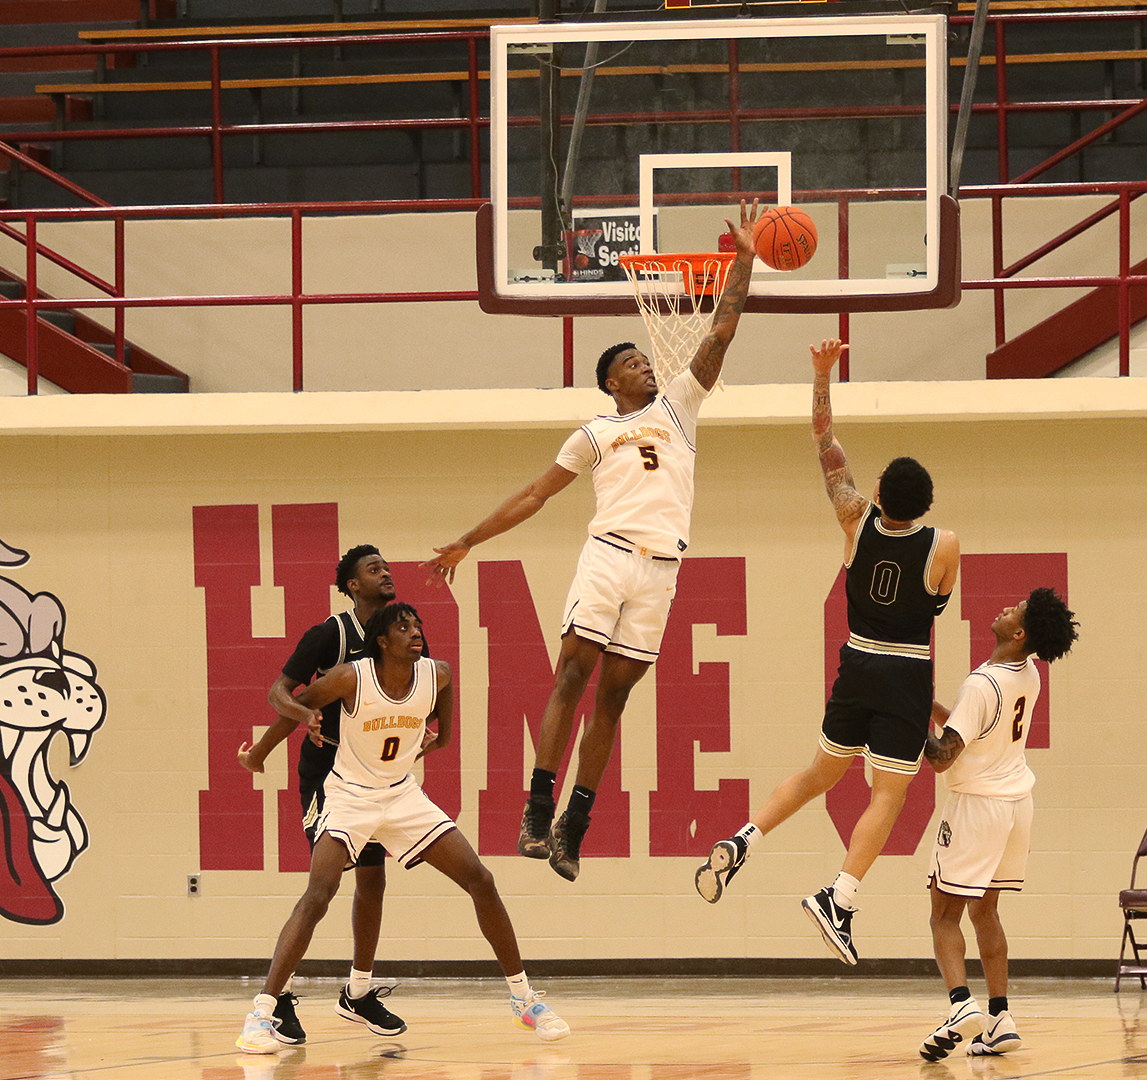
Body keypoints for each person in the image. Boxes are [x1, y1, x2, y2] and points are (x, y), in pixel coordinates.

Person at [425, 202, 763, 881]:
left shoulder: (679, 410)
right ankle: (535, 807)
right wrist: (468, 539)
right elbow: (534, 494)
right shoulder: (596, 433)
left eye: (646, 359)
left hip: (662, 569)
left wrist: (746, 260)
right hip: (608, 556)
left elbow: (720, 334)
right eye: (634, 362)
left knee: (615, 697)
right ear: (613, 383)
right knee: (573, 674)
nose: (647, 366)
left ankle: (572, 825)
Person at [694, 338, 960, 967]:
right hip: (903, 671)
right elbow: (935, 610)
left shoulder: (853, 519)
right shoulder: (945, 543)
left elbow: (825, 444)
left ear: (877, 492)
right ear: (925, 505)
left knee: (818, 775)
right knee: (887, 796)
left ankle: (744, 837)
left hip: (855, 663)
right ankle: (839, 898)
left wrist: (820, 375)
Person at [237, 603, 568, 1053]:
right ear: (382, 641)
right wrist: (258, 753)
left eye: (418, 626)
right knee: (320, 893)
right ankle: (261, 1013)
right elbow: (293, 709)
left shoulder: (438, 675)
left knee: (481, 879)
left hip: (401, 795)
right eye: (403, 626)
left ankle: (525, 1001)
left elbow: (444, 736)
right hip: (349, 795)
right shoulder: (350, 677)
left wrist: (426, 744)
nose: (416, 632)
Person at [235, 544, 406, 1040]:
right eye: (374, 569)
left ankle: (358, 993)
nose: (386, 573)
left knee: (373, 880)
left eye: (387, 567)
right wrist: (301, 715)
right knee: (323, 888)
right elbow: (279, 692)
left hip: (373, 776)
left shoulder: (399, 634)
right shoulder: (330, 635)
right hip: (327, 777)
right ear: (353, 585)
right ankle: (275, 999)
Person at [917, 590, 1078, 1061]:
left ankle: (961, 1006)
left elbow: (944, 759)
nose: (1005, 608)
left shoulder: (982, 683)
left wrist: (903, 723)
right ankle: (1001, 1018)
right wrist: (928, 707)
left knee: (943, 915)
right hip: (1016, 805)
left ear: (1019, 632)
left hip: (977, 807)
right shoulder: (1028, 675)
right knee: (985, 912)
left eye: (1015, 610)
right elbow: (971, 731)